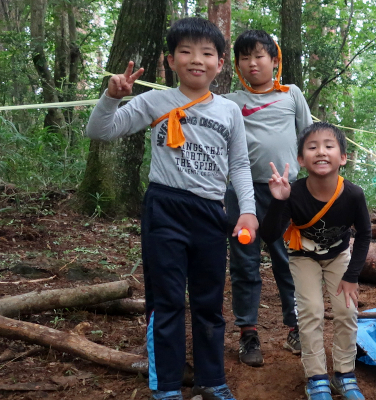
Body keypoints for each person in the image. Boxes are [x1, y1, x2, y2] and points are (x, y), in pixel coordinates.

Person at [85, 17, 253, 400]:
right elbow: (101, 131)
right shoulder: (155, 101)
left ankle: (213, 381)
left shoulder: (228, 112)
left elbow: (240, 166)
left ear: (220, 63)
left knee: (209, 302)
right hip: (165, 210)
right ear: (170, 60)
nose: (197, 60)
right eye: (186, 51)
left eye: (207, 53)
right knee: (168, 299)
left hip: (211, 213)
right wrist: (112, 97)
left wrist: (248, 211)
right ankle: (167, 387)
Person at [261, 123, 371, 400]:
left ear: (343, 157)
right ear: (301, 159)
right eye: (312, 147)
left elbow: (365, 234)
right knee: (311, 310)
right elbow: (270, 235)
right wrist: (278, 201)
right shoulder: (294, 192)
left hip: (339, 255)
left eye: (329, 146)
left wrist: (352, 277)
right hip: (303, 255)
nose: (321, 152)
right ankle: (316, 377)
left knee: (347, 311)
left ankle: (344, 374)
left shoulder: (354, 194)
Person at [223, 28, 313, 366]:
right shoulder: (231, 102)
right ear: (237, 65)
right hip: (242, 194)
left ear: (274, 60)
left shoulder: (291, 94)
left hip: (285, 194)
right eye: (244, 58)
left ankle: (294, 327)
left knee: (288, 260)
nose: (252, 63)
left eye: (259, 56)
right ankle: (248, 334)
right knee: (245, 262)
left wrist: (308, 186)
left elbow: (308, 138)